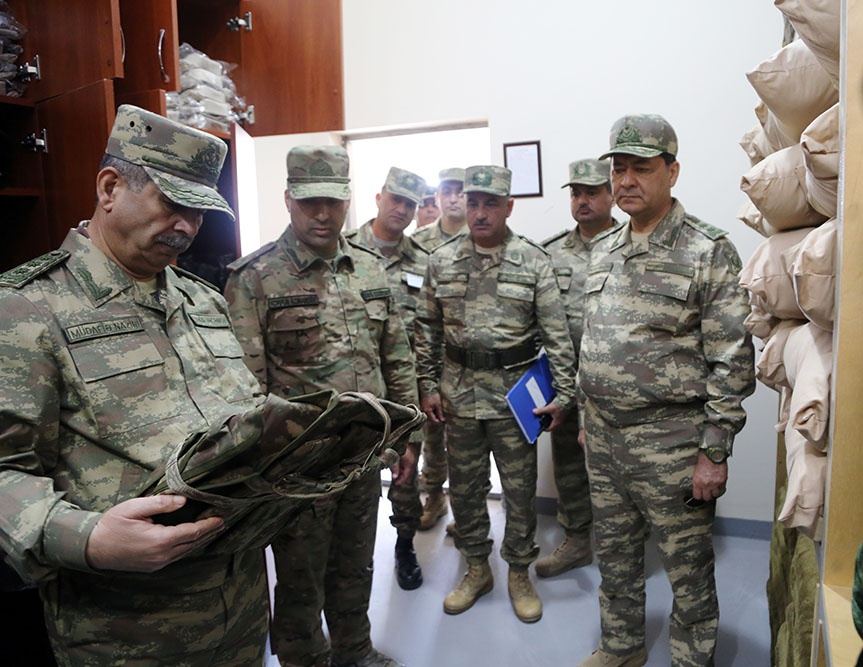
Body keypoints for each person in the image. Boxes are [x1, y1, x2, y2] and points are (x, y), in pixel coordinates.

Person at [0, 105, 270, 665]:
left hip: (238, 603)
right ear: (109, 187)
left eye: (199, 212)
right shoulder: (24, 309)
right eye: (173, 204)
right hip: (125, 628)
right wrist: (89, 538)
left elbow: (242, 422)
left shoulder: (205, 302)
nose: (188, 228)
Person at [225, 146, 416, 667]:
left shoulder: (371, 270)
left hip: (364, 456)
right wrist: (264, 469)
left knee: (356, 565)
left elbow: (397, 360)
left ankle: (354, 651)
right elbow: (247, 388)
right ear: (289, 199)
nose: (323, 215)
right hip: (299, 469)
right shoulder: (256, 278)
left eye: (333, 202)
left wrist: (407, 440)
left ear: (349, 201)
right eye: (310, 203)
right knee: (301, 579)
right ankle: (306, 659)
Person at [576, 114, 755, 667]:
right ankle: (622, 645)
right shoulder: (604, 248)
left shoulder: (707, 250)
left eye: (642, 168)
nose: (626, 180)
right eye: (619, 168)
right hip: (604, 440)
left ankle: (690, 656)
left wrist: (714, 452)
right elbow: (594, 341)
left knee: (687, 567)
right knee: (616, 557)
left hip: (673, 444)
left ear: (672, 172)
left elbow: (732, 359)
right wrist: (587, 418)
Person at [414, 165, 578, 623]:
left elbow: (556, 334)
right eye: (473, 203)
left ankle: (519, 571)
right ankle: (475, 568)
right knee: (465, 490)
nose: (480, 213)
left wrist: (563, 394)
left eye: (490, 204)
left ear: (509, 207)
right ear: (463, 205)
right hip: (459, 395)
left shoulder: (532, 261)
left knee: (520, 491)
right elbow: (426, 330)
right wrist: (428, 385)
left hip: (515, 399)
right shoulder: (441, 260)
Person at [536, 158, 622, 578]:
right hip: (567, 381)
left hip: (619, 384)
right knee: (569, 463)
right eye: (576, 193)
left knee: (621, 469)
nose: (583, 201)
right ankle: (575, 541)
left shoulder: (632, 242)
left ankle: (622, 545)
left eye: (591, 192)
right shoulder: (551, 253)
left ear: (610, 195)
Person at [345, 166, 429, 591]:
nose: (401, 209)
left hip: (405, 390)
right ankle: (351, 563)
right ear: (379, 198)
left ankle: (405, 544)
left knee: (405, 476)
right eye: (395, 199)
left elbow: (431, 330)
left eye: (410, 204)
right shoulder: (345, 252)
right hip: (356, 389)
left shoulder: (422, 262)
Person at [411, 167, 467, 532]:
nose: (453, 198)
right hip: (429, 355)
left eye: (460, 191)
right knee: (432, 433)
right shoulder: (418, 243)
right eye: (447, 191)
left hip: (466, 360)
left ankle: (468, 510)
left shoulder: (481, 236)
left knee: (468, 442)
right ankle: (434, 496)